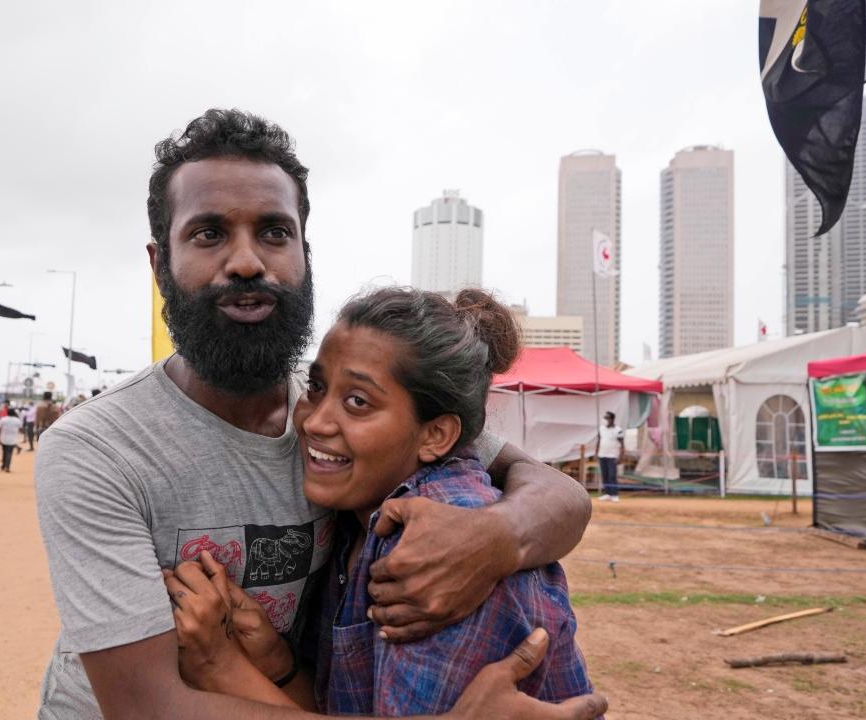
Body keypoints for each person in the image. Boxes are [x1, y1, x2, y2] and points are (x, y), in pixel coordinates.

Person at [34, 109, 601, 719]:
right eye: (209, 234)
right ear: (158, 262)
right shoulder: (98, 449)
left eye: (275, 233)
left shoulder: (340, 409)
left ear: (305, 251)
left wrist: (494, 538)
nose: (247, 261)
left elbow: (556, 493)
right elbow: (149, 706)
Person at [168, 287, 595, 714]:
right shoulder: (362, 518)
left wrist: (218, 667)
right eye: (316, 387)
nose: (315, 420)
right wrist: (275, 663)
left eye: (358, 402)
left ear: (436, 435)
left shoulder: (437, 550)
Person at [597, 411, 624, 502]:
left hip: (612, 456)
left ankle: (614, 494)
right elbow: (599, 440)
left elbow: (622, 444)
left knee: (612, 475)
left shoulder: (618, 430)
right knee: (605, 475)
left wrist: (621, 456)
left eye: (607, 418)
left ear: (612, 419)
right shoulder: (601, 428)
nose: (605, 420)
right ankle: (607, 493)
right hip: (602, 454)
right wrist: (596, 452)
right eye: (605, 418)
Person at [0, 406, 23, 472]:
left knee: (4, 452)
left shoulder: (3, 419)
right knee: (9, 453)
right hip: (12, 440)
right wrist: (24, 433)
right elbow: (21, 429)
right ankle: (7, 466)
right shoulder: (17, 420)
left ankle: (3, 465)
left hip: (3, 438)